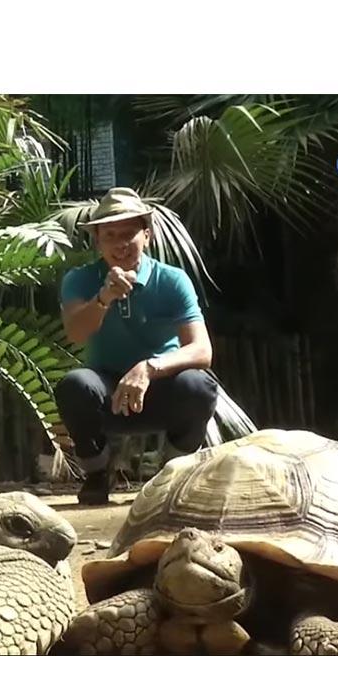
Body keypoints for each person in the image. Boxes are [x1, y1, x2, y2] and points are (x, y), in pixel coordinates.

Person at [55, 187, 218, 505]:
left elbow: (202, 351)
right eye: (110, 235)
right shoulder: (79, 280)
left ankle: (173, 474)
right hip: (108, 394)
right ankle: (98, 472)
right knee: (74, 385)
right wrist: (103, 298)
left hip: (161, 391)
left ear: (147, 235)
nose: (120, 244)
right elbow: (76, 333)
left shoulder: (172, 280)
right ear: (98, 241)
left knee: (198, 385)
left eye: (129, 233)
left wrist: (149, 368)